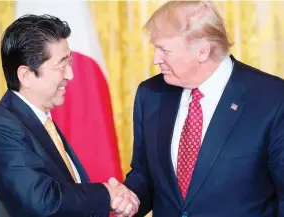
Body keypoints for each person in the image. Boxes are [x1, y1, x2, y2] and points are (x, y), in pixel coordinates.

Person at [109, 1, 284, 216]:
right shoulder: (151, 94)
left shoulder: (273, 99)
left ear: (202, 52)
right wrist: (129, 200)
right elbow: (145, 175)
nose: (156, 59)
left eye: (164, 50)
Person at [0, 14, 139, 217]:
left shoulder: (39, 120)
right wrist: (107, 194)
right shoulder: (1, 127)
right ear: (26, 76)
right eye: (61, 66)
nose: (70, 74)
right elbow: (41, 201)